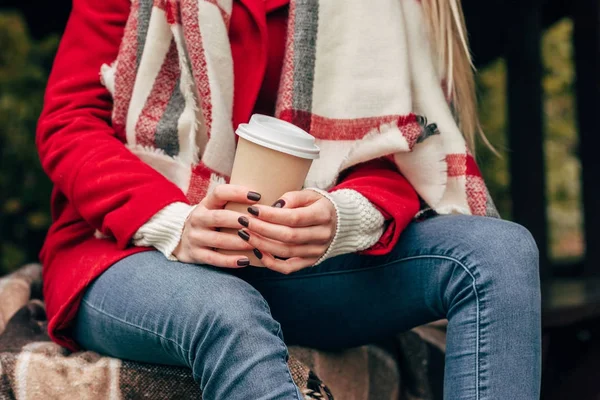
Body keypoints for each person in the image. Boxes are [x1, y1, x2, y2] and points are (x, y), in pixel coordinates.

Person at [36, 0, 541, 398]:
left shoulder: (386, 9)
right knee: (225, 309)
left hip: (298, 270)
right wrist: (174, 223)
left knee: (497, 254)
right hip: (127, 252)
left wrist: (344, 217)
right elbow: (68, 123)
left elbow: (400, 145)